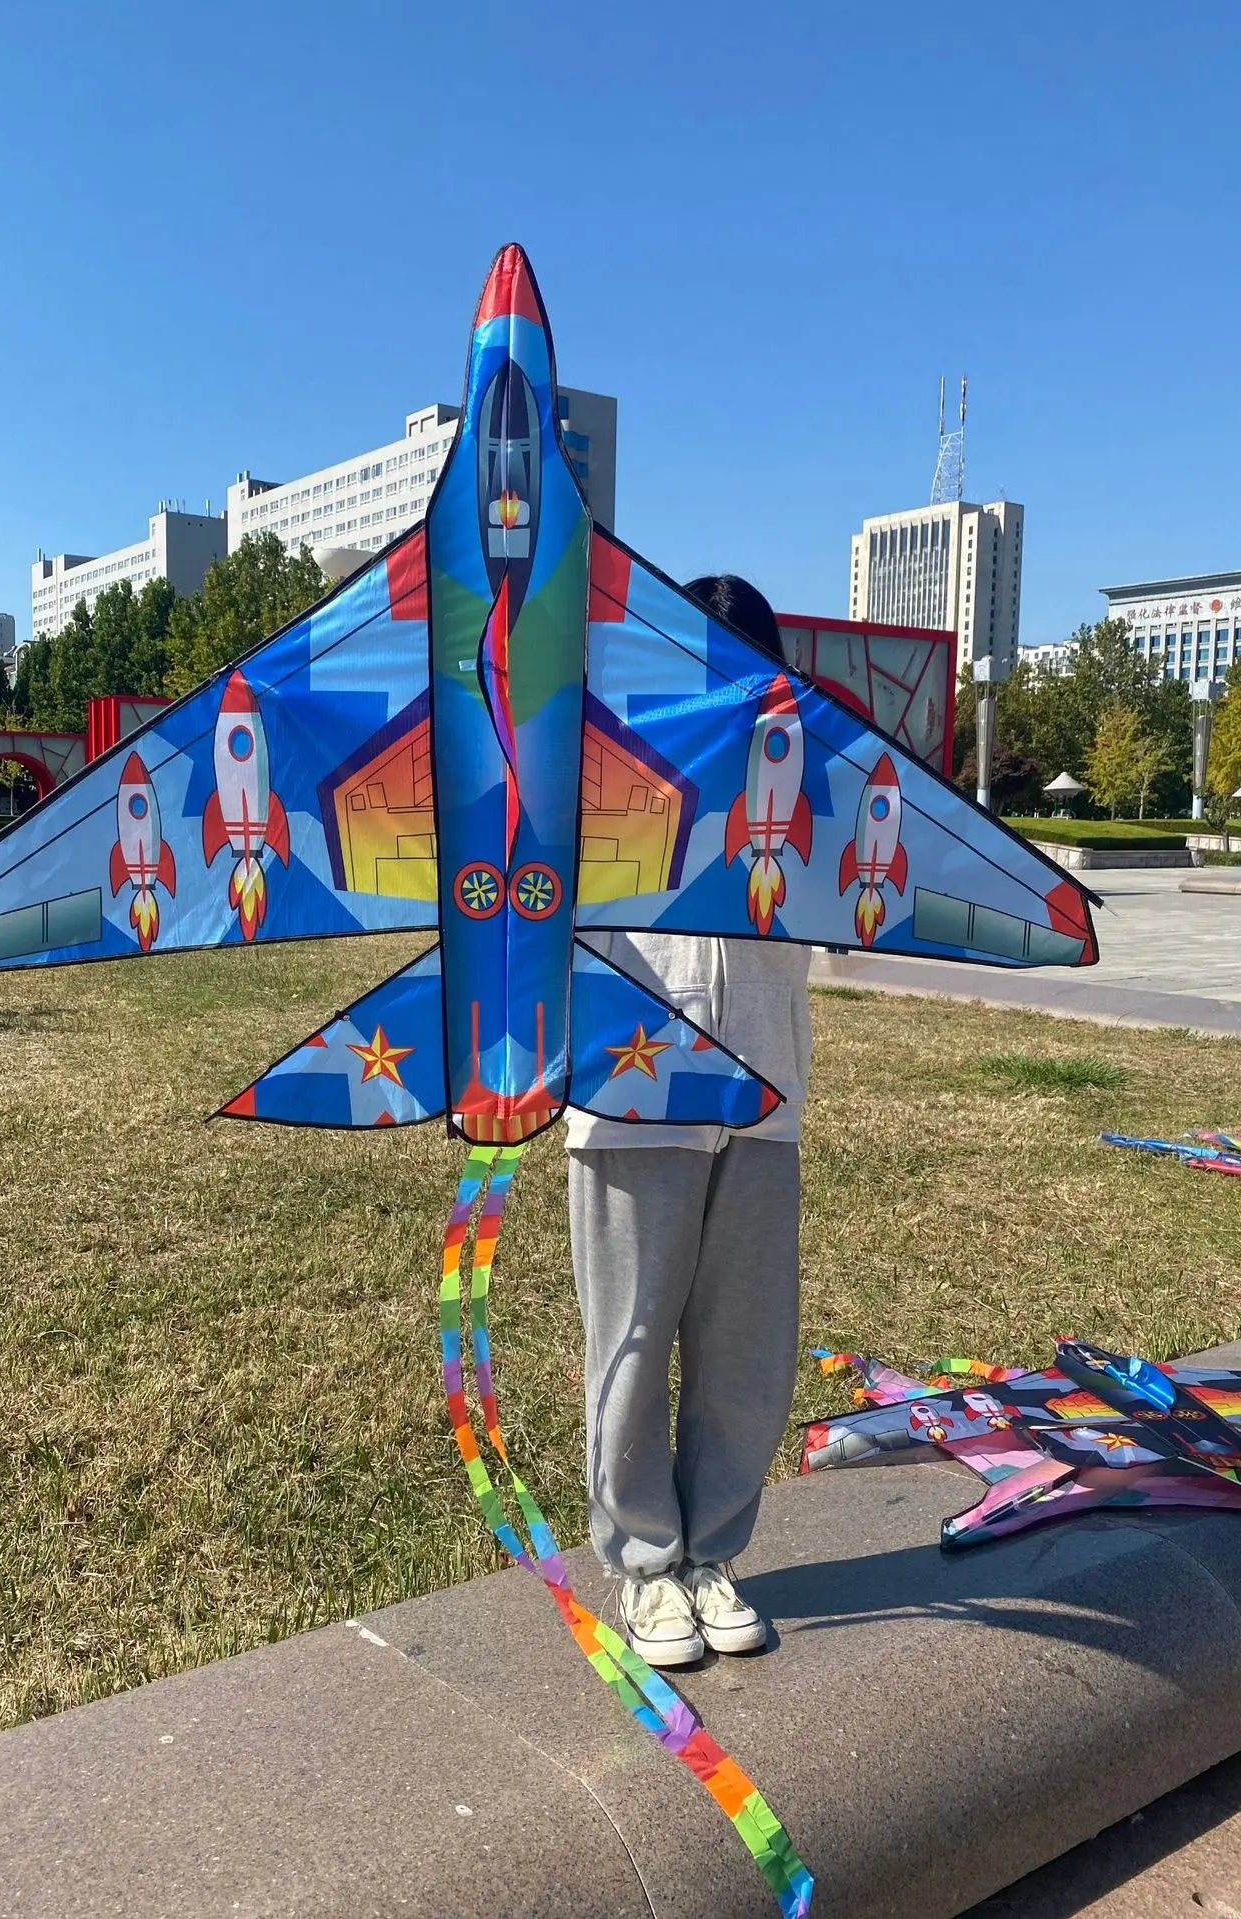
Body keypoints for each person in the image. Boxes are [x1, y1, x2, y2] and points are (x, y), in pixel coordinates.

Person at [566, 573, 811, 1667]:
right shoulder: (596, 777)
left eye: (746, 665)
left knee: (744, 1348)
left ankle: (712, 1550)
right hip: (633, 1099)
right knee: (629, 1340)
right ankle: (645, 1563)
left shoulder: (807, 783)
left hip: (762, 1099)